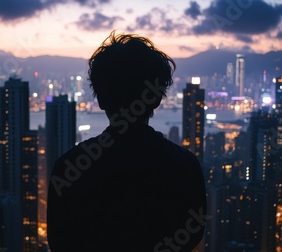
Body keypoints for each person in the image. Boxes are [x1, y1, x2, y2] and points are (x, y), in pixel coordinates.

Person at [47, 31, 207, 251]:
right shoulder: (186, 166)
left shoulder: (69, 168)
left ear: (100, 99)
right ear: (157, 99)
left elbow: (59, 242)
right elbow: (193, 234)